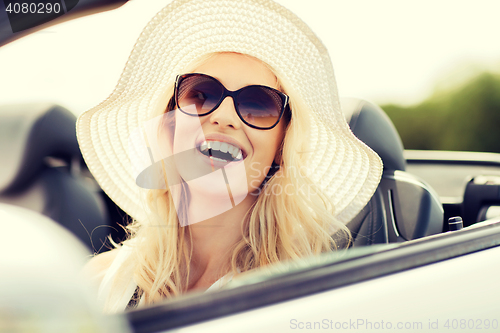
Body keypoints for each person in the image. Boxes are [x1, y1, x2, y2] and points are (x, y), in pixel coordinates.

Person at [79, 0, 382, 313]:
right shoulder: (99, 282)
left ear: (280, 148)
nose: (225, 117)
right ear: (168, 128)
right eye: (200, 94)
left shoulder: (301, 300)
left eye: (259, 104)